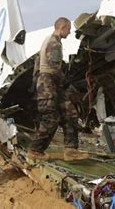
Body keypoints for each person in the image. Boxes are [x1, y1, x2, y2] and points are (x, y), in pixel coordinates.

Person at [27, 17, 89, 161]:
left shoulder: (48, 41)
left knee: (71, 114)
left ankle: (71, 150)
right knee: (51, 119)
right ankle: (35, 150)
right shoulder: (54, 44)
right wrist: (67, 85)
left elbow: (37, 63)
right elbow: (55, 70)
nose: (70, 32)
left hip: (51, 85)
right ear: (62, 28)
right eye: (68, 29)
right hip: (49, 85)